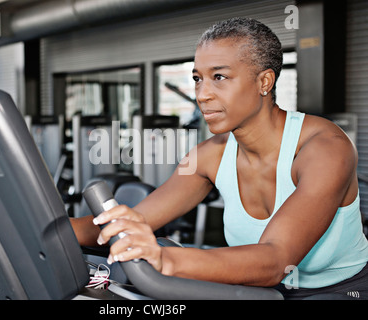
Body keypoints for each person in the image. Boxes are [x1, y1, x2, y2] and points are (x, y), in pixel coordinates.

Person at [71, 17, 368, 299]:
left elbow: (276, 258)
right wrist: (49, 229)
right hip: (257, 292)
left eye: (219, 77)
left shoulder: (326, 148)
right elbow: (135, 219)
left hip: (337, 291)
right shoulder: (206, 156)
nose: (202, 94)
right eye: (198, 78)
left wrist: (165, 258)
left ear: (264, 82)